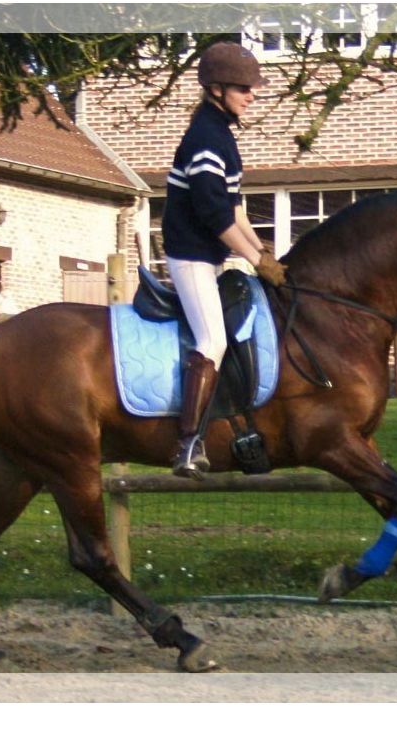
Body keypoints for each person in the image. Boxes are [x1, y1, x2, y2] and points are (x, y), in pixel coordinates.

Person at [162, 41, 288, 479]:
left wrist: (264, 252)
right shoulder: (205, 138)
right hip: (190, 257)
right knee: (213, 339)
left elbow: (235, 209)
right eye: (243, 88)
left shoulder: (221, 135)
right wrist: (254, 259)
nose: (252, 95)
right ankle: (188, 444)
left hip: (210, 257)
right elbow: (215, 216)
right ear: (216, 89)